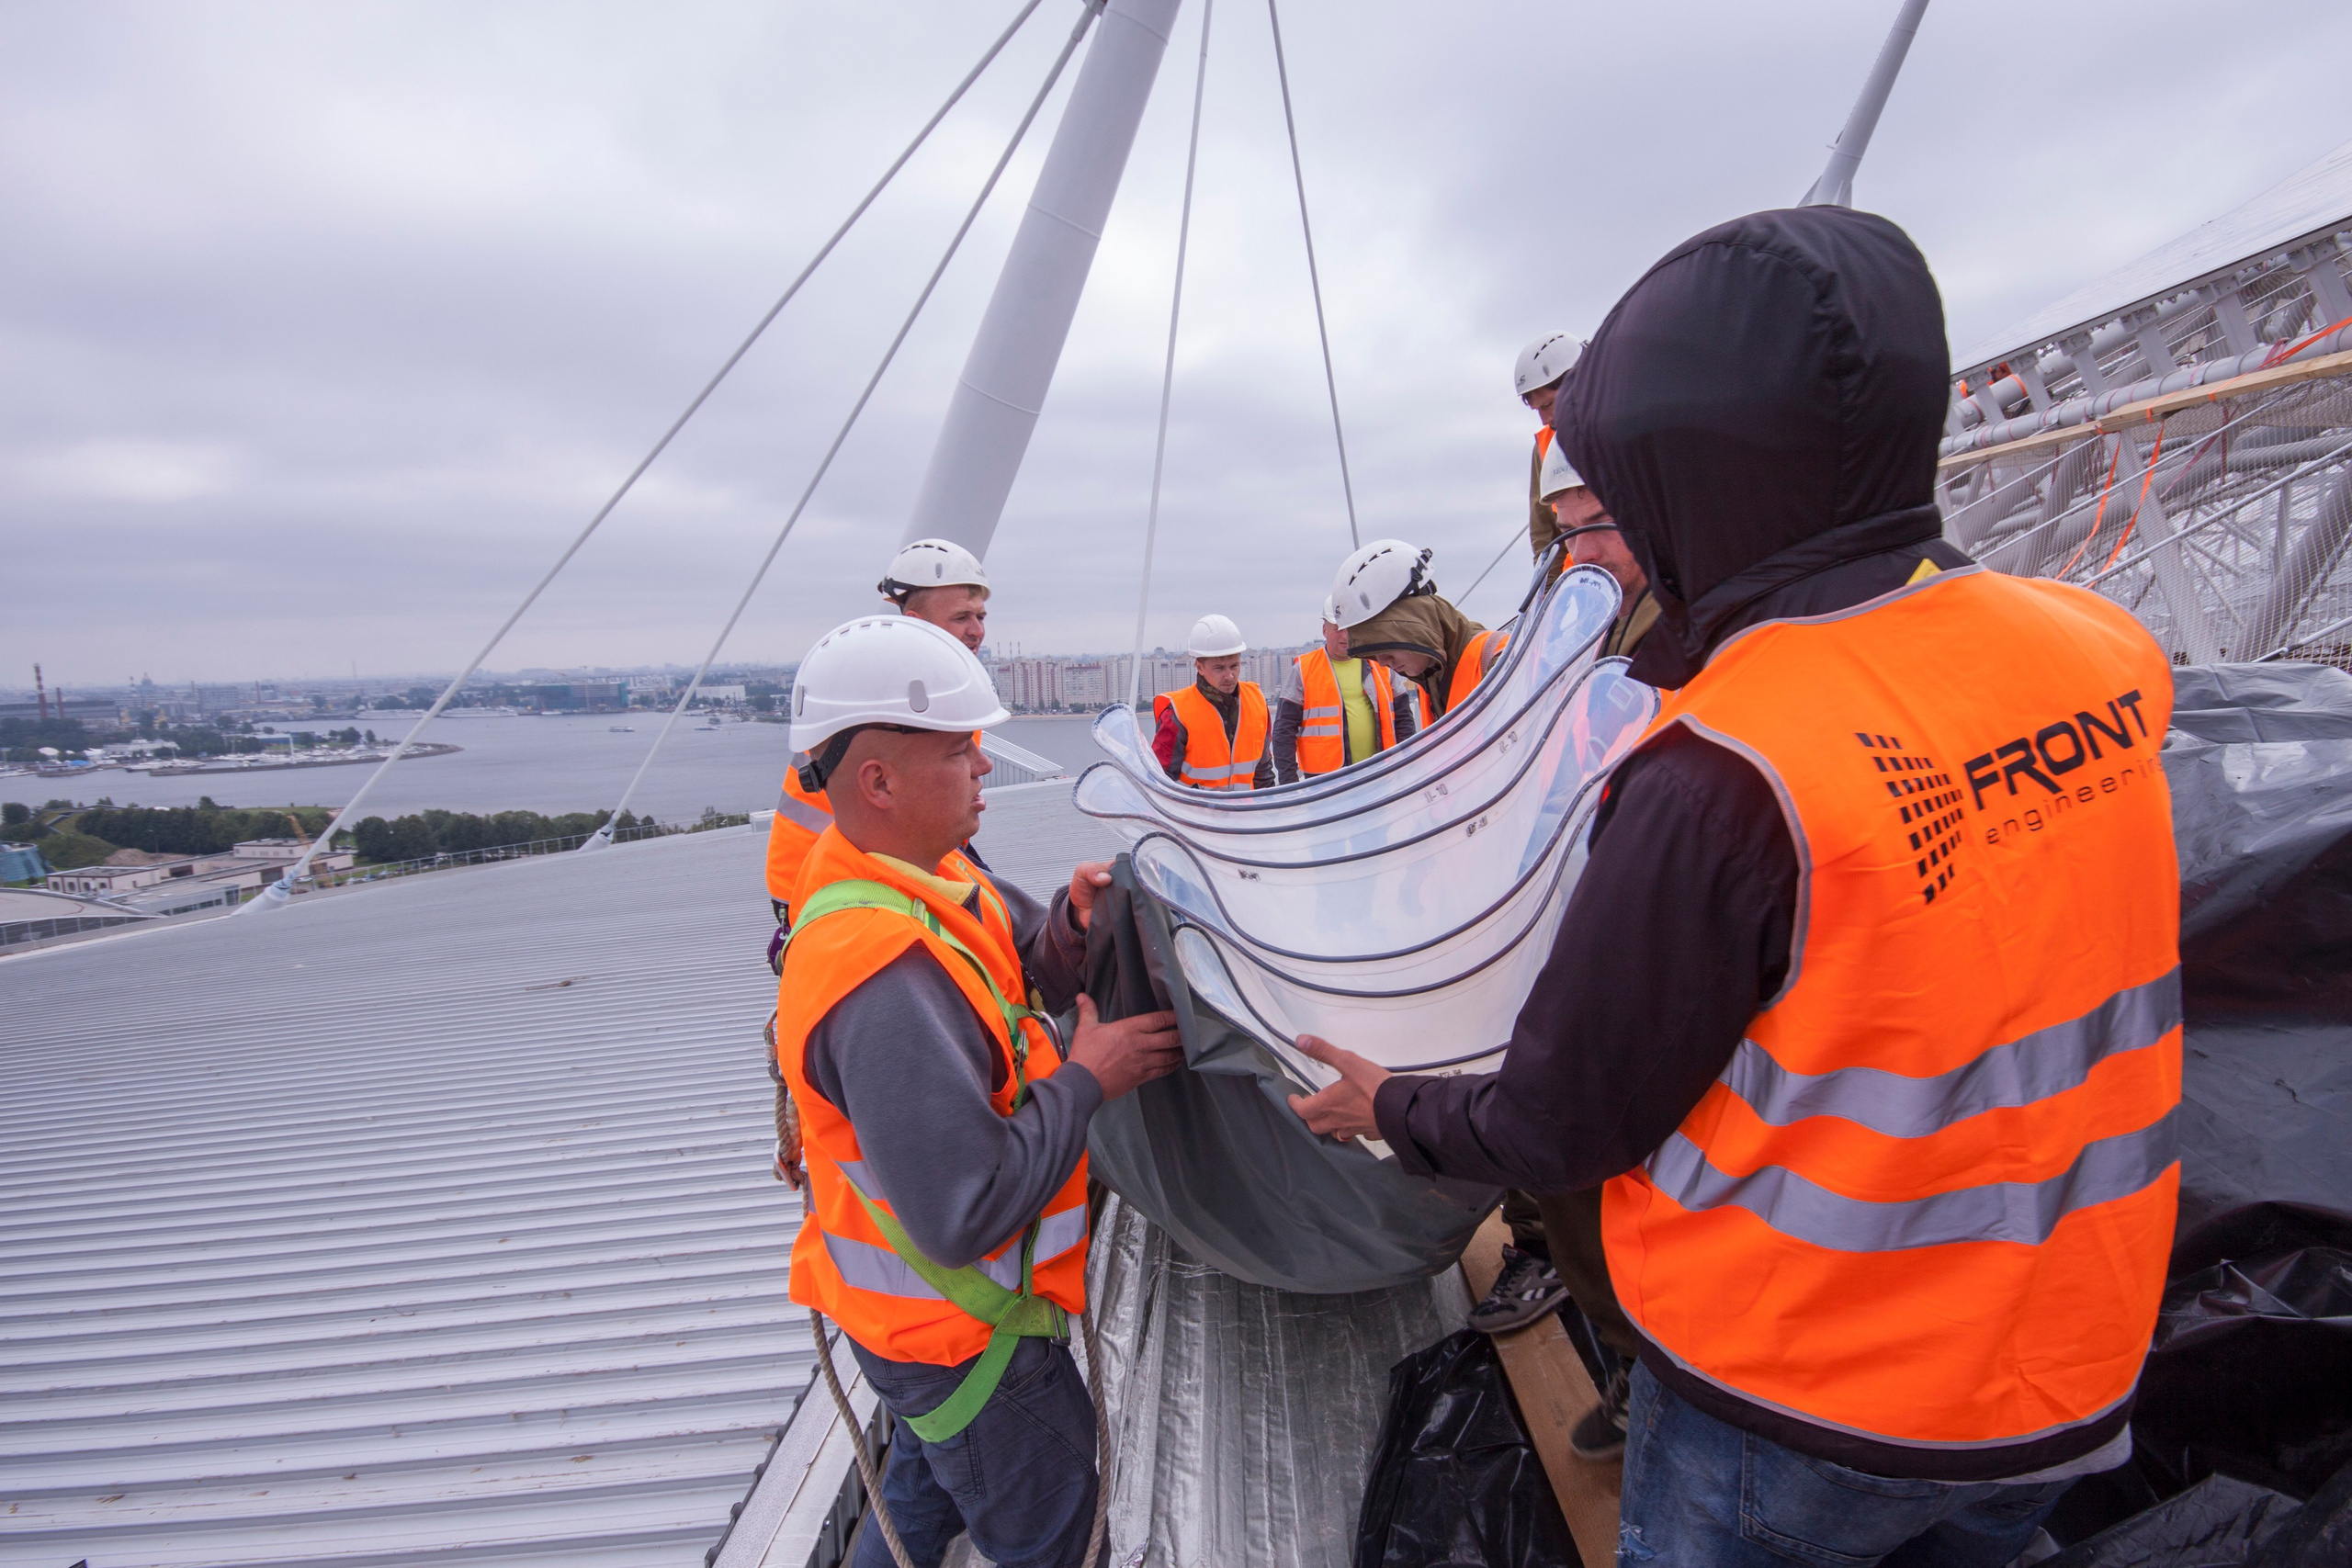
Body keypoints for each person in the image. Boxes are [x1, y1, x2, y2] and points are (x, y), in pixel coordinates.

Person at [1290, 207, 2179, 1566]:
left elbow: (1565, 1117)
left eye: (1611, 513)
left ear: (1691, 479)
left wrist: (1388, 1105)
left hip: (1811, 1395)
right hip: (2072, 1361)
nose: (1592, 553)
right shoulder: (2099, 649)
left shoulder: (1727, 768)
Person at [774, 614, 1184, 1568]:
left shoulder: (919, 872)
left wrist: (1070, 926)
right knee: (1054, 1538)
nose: (985, 766)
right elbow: (966, 1210)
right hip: (967, 1341)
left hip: (915, 1331)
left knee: (919, 1501)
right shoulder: (878, 975)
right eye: (960, 751)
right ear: (878, 782)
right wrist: (1088, 1079)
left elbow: (1009, 976)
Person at [763, 538, 992, 931]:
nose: (977, 631)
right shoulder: (900, 696)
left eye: (981, 616)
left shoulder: (931, 685)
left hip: (869, 858)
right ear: (917, 622)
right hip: (821, 883)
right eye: (961, 618)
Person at [1330, 540, 1509, 721]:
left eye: (1384, 645)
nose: (1382, 662)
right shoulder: (1432, 674)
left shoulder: (1502, 662)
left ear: (1414, 623)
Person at [1270, 597, 1425, 784]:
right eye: (1338, 629)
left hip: (1381, 774)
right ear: (1325, 630)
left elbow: (1403, 718)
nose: (1345, 636)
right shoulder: (1303, 670)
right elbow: (1284, 731)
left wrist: (1407, 764)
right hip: (1325, 781)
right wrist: (1289, 782)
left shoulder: (1380, 663)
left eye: (1350, 627)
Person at [1540, 435, 1660, 660]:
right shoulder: (1587, 637)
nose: (1581, 555)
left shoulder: (1697, 640)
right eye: (1569, 532)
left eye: (1602, 524)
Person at [1151, 614, 1275, 790]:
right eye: (1219, 668)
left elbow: (1264, 772)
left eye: (1234, 666)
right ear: (1199, 667)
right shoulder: (1177, 713)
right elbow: (1160, 780)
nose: (1229, 675)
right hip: (1195, 808)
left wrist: (1268, 805)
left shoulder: (1257, 702)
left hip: (1246, 808)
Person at [1516, 332, 1584, 569]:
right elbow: (1546, 540)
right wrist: (1549, 589)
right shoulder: (1544, 447)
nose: (1545, 419)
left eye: (1548, 405)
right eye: (1537, 409)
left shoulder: (1627, 428)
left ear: (1580, 383)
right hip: (1579, 584)